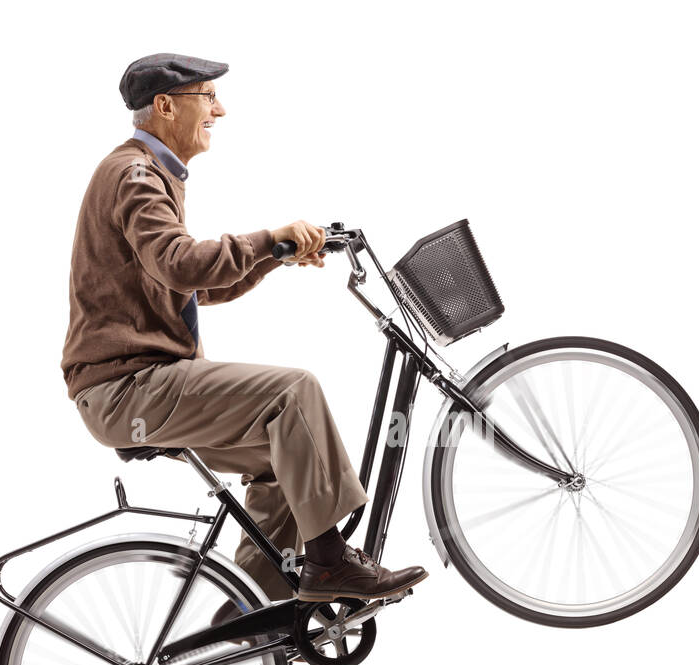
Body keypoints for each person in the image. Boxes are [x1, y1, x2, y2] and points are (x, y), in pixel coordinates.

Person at [62, 53, 427, 614]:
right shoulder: (134, 175)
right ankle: (328, 562)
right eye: (207, 96)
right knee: (292, 393)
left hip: (136, 385)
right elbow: (182, 265)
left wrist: (275, 255)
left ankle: (250, 617)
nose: (220, 109)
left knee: (285, 459)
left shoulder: (146, 172)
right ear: (164, 106)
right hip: (127, 387)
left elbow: (188, 288)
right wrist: (266, 238)